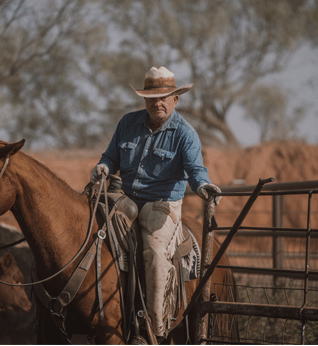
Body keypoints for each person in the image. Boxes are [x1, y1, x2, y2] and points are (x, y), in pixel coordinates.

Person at [89, 66, 221, 339]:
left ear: (175, 99)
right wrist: (103, 166)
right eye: (152, 98)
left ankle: (154, 328)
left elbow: (196, 170)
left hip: (163, 205)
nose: (157, 103)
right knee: (93, 230)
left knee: (155, 252)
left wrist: (204, 186)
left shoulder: (185, 133)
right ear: (144, 100)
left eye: (164, 98)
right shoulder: (127, 123)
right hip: (126, 198)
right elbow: (110, 157)